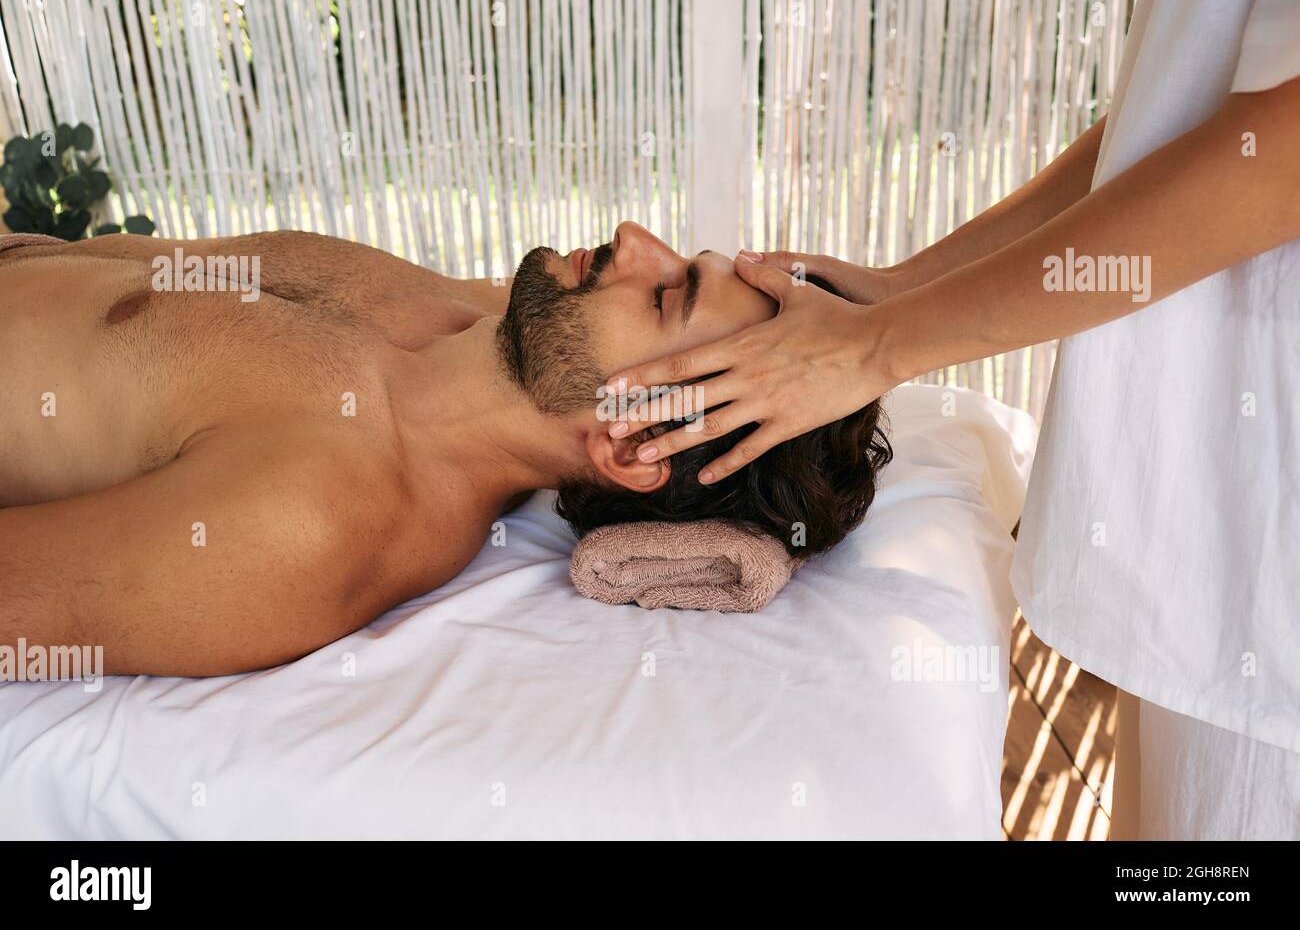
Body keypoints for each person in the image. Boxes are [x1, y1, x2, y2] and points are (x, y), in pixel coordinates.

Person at [604, 0, 1300, 839]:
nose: (634, 239)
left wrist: (878, 343)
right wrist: (898, 297)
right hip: (1220, 517)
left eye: (669, 297)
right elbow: (1185, 112)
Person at [0, 223, 888, 678]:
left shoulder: (314, 517)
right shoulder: (465, 321)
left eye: (663, 297)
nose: (632, 239)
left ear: (633, 446)